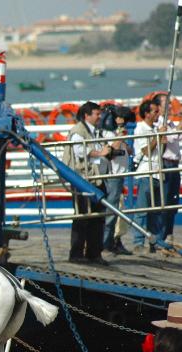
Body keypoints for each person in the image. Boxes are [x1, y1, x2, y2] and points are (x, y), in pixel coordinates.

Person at [62, 101, 111, 265]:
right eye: (97, 114)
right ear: (86, 115)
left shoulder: (94, 131)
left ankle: (94, 253)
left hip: (96, 178)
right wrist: (101, 152)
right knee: (82, 217)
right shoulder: (78, 131)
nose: (99, 117)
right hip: (82, 179)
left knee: (98, 218)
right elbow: (80, 151)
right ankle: (76, 254)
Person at [152, 93, 182, 246]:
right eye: (165, 104)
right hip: (166, 163)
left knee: (172, 201)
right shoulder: (159, 124)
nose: (169, 106)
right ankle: (161, 237)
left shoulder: (169, 122)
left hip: (174, 164)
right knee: (164, 201)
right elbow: (172, 137)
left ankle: (168, 234)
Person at [132, 100, 165, 254]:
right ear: (146, 113)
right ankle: (138, 242)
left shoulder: (154, 129)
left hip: (158, 172)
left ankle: (156, 242)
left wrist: (161, 138)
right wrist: (157, 137)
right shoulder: (141, 129)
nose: (157, 114)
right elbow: (144, 151)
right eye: (154, 111)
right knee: (142, 209)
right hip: (146, 172)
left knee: (156, 211)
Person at [102, 108, 134, 256]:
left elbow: (128, 150)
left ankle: (114, 241)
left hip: (121, 175)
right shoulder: (108, 134)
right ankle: (106, 242)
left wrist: (125, 142)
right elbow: (111, 150)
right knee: (111, 210)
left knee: (118, 210)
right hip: (113, 175)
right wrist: (120, 136)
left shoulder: (117, 134)